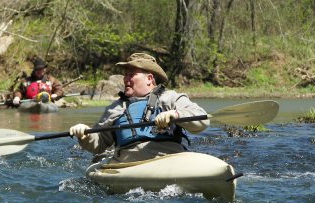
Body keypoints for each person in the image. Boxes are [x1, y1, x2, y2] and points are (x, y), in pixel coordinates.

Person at [69, 53, 210, 163]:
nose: (125, 79)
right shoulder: (115, 109)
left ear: (149, 79)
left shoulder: (171, 98)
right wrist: (85, 135)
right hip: (126, 165)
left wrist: (176, 115)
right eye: (125, 75)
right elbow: (99, 144)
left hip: (169, 159)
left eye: (131, 74)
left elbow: (202, 120)